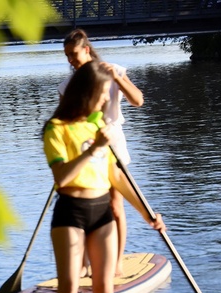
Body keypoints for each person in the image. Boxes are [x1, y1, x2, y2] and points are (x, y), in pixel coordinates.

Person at [43, 61, 165, 293]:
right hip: (70, 211)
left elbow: (117, 178)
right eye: (100, 96)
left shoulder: (101, 129)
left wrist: (147, 213)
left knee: (104, 290)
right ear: (86, 93)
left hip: (102, 214)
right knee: (68, 291)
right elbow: (60, 178)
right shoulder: (56, 128)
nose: (104, 103)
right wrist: (92, 149)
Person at [59, 28, 145, 276]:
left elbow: (138, 101)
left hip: (113, 144)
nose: (70, 61)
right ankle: (86, 265)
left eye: (73, 54)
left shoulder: (114, 70)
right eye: (67, 56)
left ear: (86, 50)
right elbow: (64, 122)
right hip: (86, 149)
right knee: (88, 205)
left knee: (116, 206)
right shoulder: (67, 85)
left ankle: (116, 264)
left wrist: (117, 79)